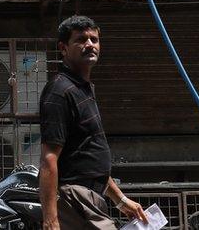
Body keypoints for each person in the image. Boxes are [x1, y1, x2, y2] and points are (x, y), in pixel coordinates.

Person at [38, 16, 148, 230]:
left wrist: (120, 200)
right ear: (63, 48)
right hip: (76, 197)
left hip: (91, 197)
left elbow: (87, 156)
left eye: (94, 39)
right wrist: (50, 220)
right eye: (81, 39)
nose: (90, 44)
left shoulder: (83, 89)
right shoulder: (60, 91)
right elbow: (49, 159)